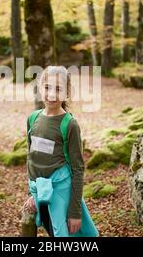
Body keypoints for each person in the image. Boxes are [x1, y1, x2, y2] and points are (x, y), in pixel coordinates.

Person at [22, 66, 98, 237]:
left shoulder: (69, 125)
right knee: (49, 229)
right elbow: (32, 159)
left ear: (67, 92)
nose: (51, 94)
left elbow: (78, 169)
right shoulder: (33, 119)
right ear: (40, 88)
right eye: (47, 87)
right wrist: (33, 194)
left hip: (61, 192)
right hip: (39, 191)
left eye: (58, 89)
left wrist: (75, 213)